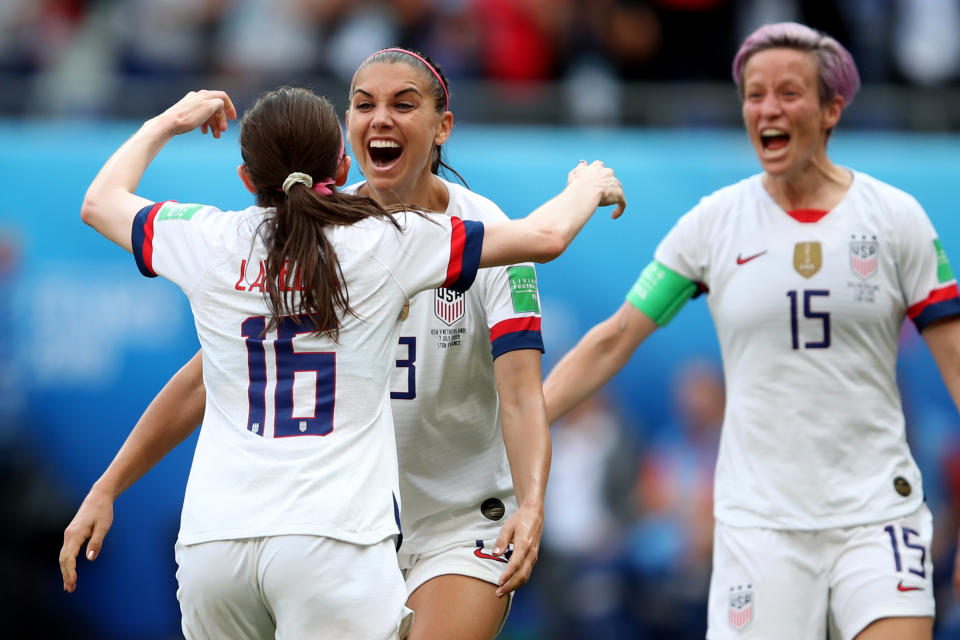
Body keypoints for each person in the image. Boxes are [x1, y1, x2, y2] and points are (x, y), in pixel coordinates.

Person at [59, 85, 625, 639]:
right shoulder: (387, 240)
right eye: (364, 104)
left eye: (403, 104)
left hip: (217, 544)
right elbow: (546, 235)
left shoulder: (210, 238)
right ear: (342, 158)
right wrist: (586, 184)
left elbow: (98, 202)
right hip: (336, 539)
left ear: (245, 179)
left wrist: (166, 123)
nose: (382, 119)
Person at [543, 21, 960, 640]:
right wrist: (514, 429)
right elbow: (615, 337)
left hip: (879, 512)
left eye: (789, 92)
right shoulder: (713, 224)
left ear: (831, 110)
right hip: (759, 522)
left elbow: (955, 362)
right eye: (754, 93)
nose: (767, 107)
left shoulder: (897, 219)